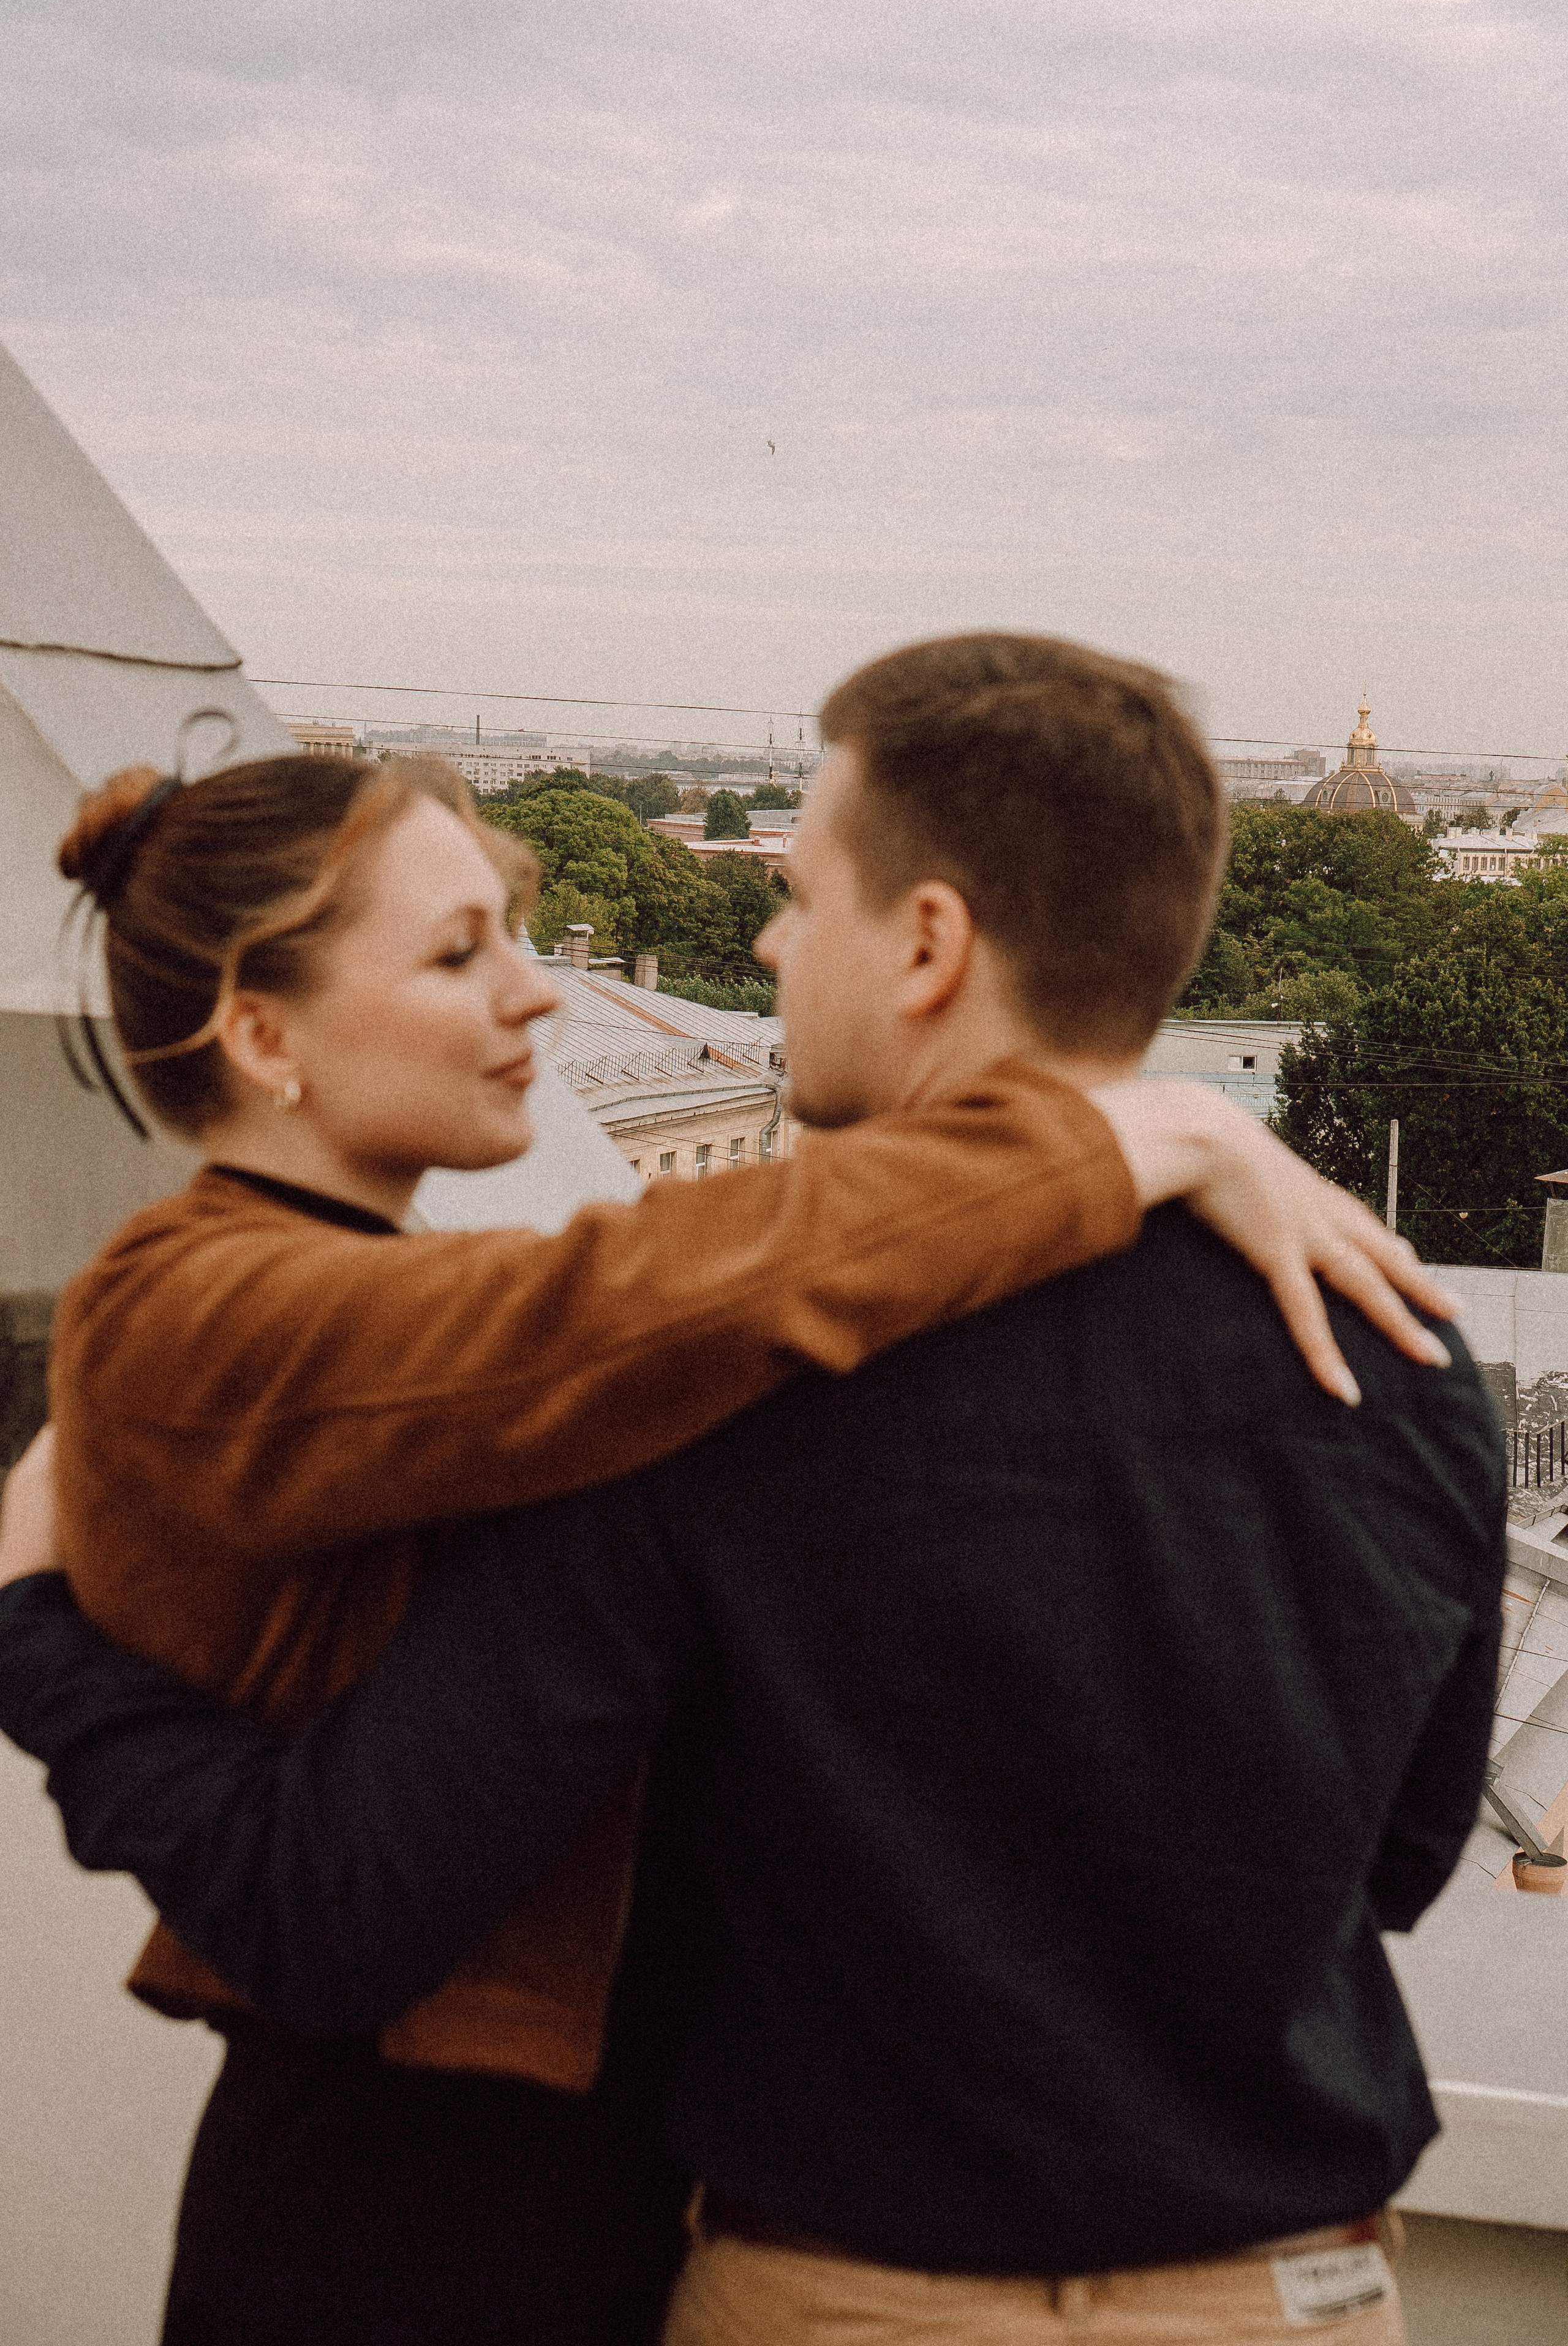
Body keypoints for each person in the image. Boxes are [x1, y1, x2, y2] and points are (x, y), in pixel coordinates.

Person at [0, 635, 1485, 2346]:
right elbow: (1392, 1864)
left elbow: (353, 1887)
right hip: (1296, 2293)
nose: (760, 943)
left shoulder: (705, 1405)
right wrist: (1162, 1135)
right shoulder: (1408, 1355)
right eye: (465, 948)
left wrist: (39, 1637)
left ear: (926, 944)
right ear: (260, 1033)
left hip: (792, 2285)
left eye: (795, 895)